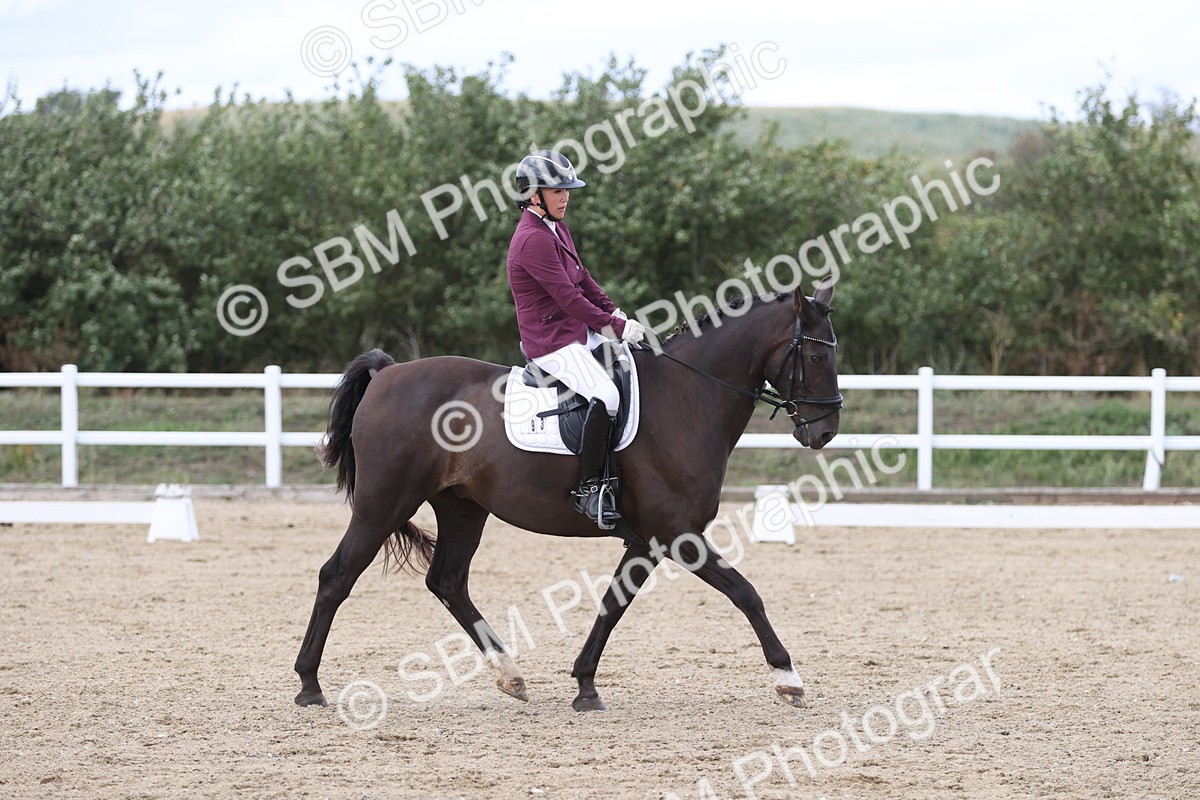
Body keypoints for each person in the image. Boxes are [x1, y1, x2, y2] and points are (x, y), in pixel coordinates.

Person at [506, 150, 646, 530]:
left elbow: (582, 279)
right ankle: (590, 488)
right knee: (608, 396)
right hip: (552, 343)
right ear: (534, 195)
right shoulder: (531, 240)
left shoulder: (556, 228)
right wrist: (613, 328)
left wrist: (614, 312)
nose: (566, 196)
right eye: (558, 190)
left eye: (568, 189)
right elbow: (567, 297)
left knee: (635, 370)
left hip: (576, 334)